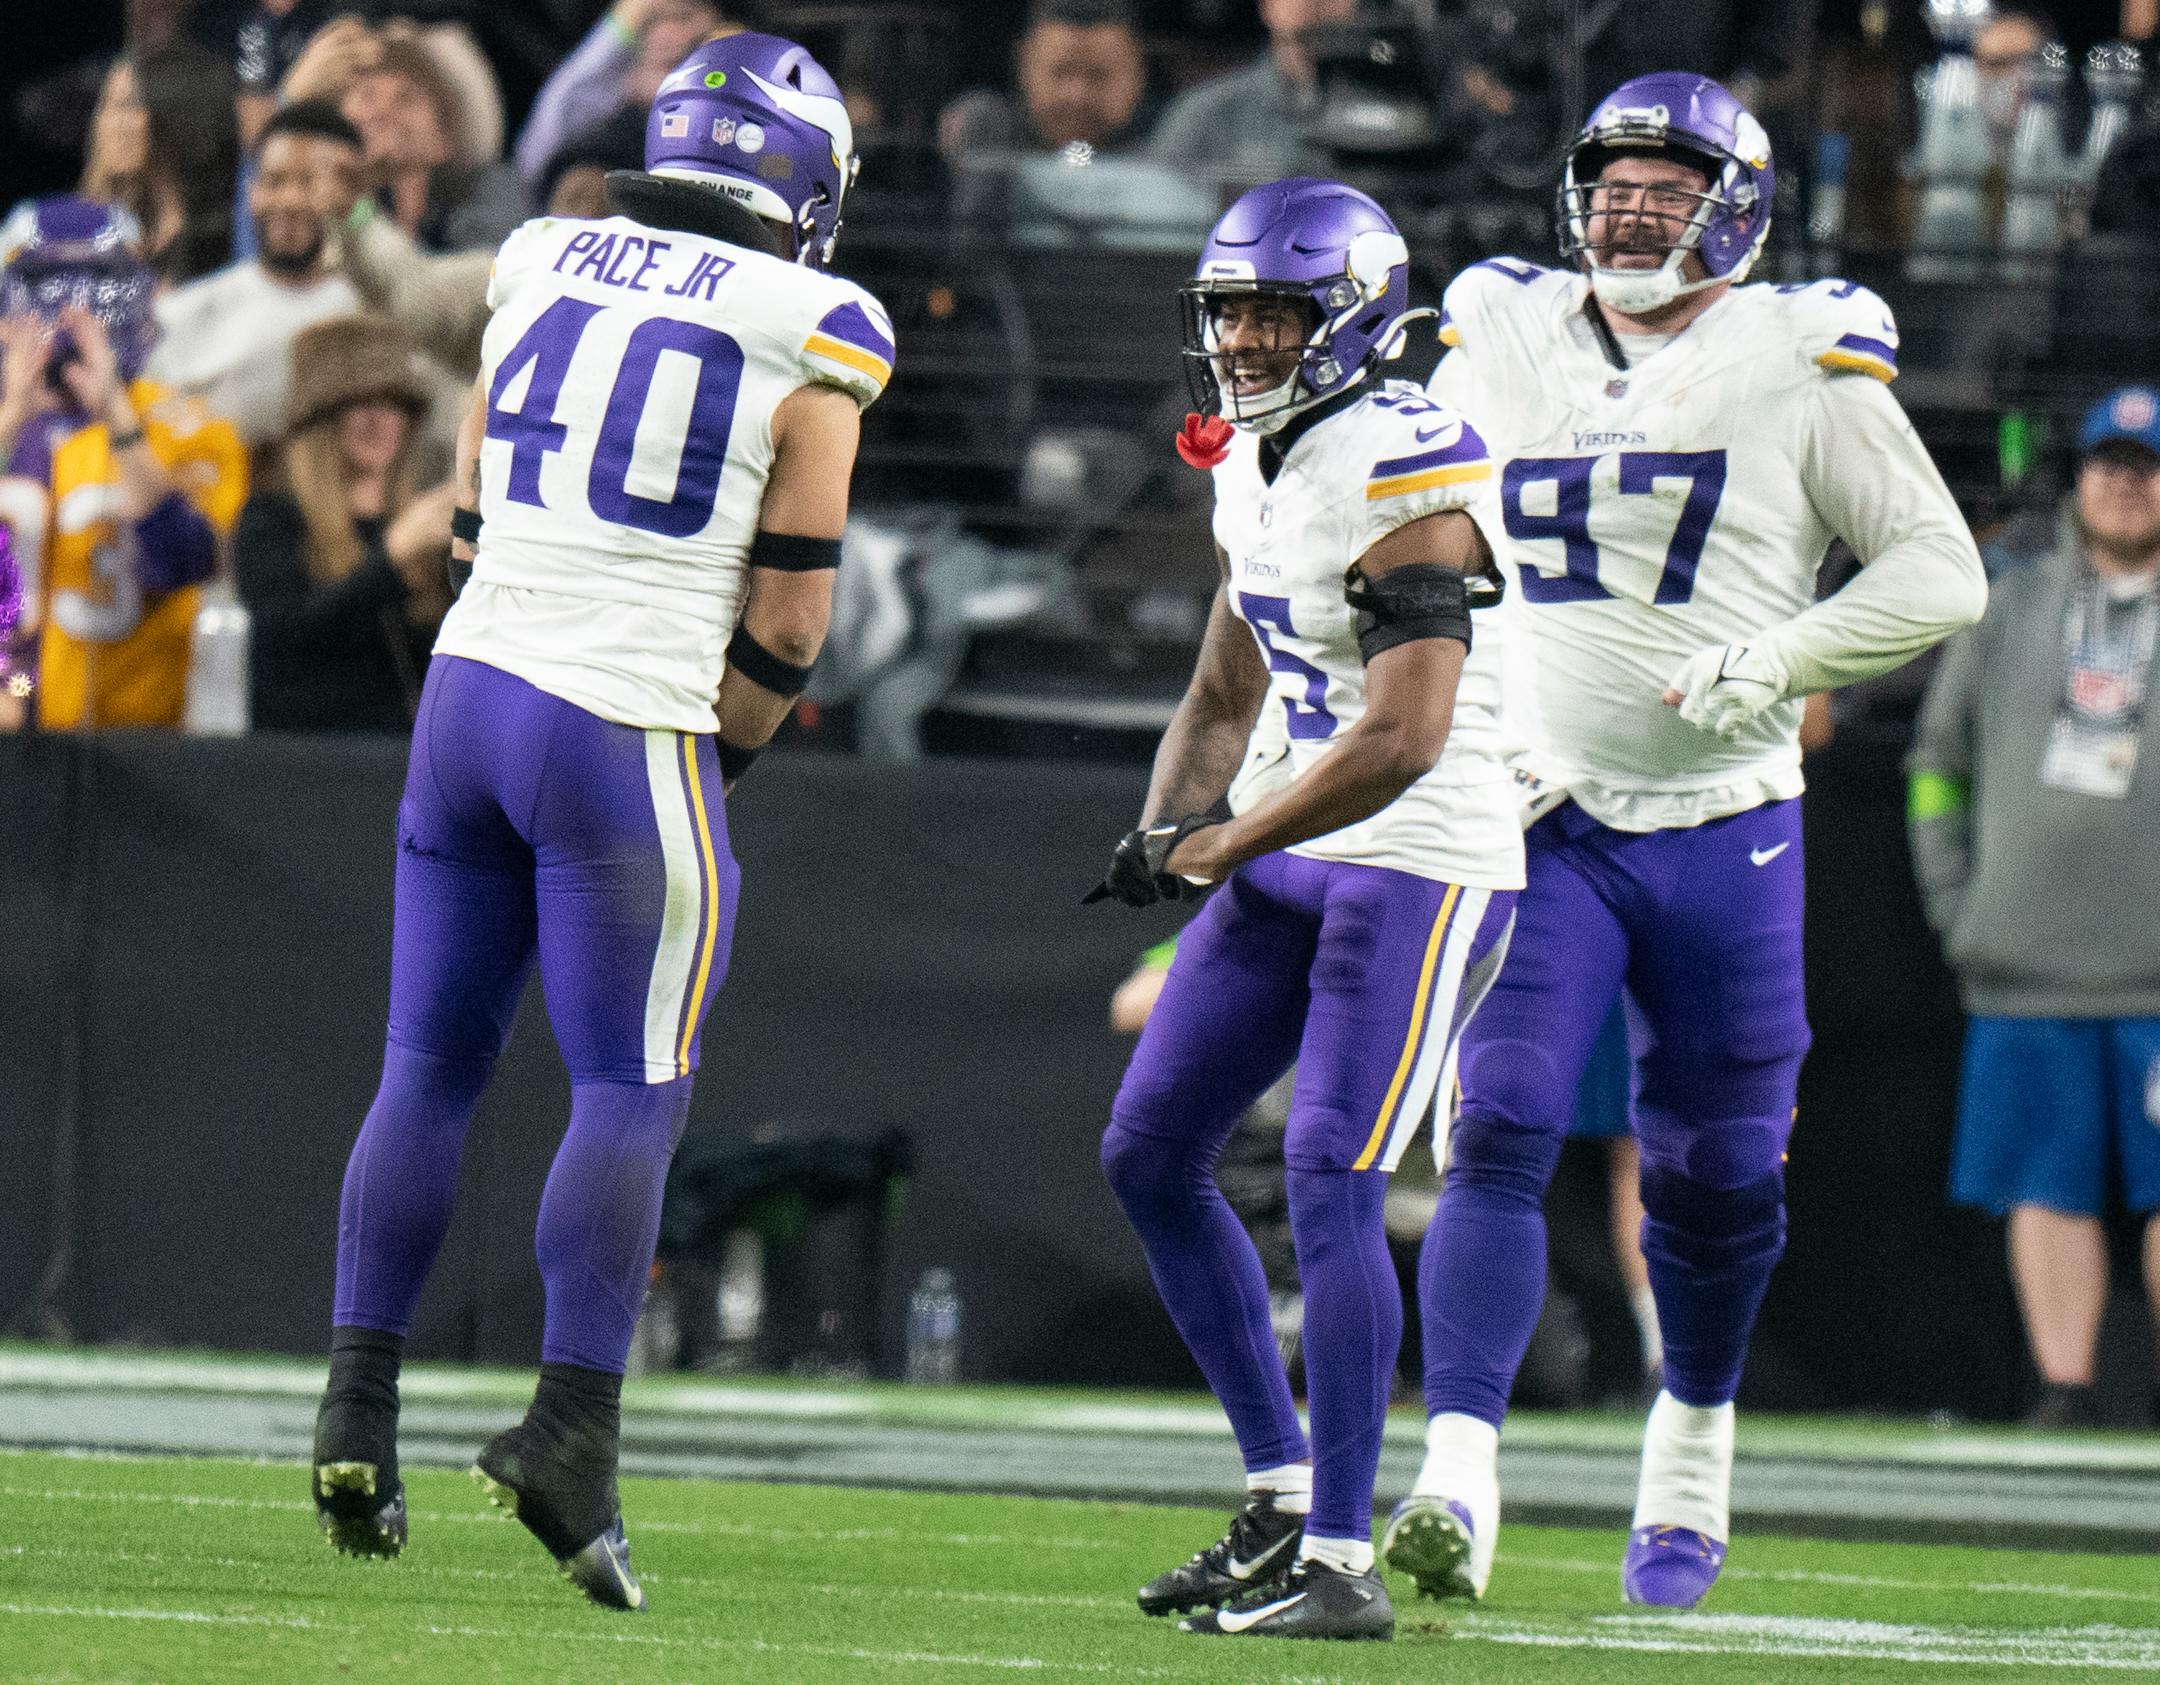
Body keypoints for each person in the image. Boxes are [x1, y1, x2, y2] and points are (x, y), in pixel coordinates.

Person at [307, 31, 891, 1613]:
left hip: (470, 694)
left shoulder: (547, 251)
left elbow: (477, 509)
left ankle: (359, 1405)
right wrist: (731, 752)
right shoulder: (822, 321)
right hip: (622, 718)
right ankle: (570, 1431)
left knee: (427, 1064)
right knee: (633, 1087)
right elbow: (788, 616)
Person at [1391, 74, 1986, 1612]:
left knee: (1716, 1175)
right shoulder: (1503, 326)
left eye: (1667, 184)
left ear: (1737, 202)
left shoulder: (1795, 353)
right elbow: (1400, 507)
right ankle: (1457, 1469)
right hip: (1545, 807)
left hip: (1727, 821)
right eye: (1614, 181)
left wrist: (1779, 660)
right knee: (1500, 1124)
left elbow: (1940, 574)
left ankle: (1692, 1445)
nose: (1632, 208)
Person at [1091, 176, 1522, 1642]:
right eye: (1232, 313)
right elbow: (1226, 686)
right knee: (1151, 1151)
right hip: (1295, 832)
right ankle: (1283, 1493)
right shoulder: (1254, 455)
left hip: (1421, 849)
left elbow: (1402, 737)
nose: (1250, 341)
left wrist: (1221, 843)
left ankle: (1341, 1560)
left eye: (1278, 312)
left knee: (1334, 1175)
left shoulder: (1411, 462)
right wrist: (1171, 819)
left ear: (1352, 315)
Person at [1909, 385, 2160, 1431]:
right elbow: (1935, 762)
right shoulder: (2010, 602)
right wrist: (1956, 901)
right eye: (2108, 461)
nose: (2125, 481)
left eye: (2146, 467)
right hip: (2021, 955)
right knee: (2043, 1184)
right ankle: (2062, 1385)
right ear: (2078, 477)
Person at [0, 198, 248, 731]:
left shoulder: (186, 426)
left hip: (142, 741)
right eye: (44, 292)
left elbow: (180, 561)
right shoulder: (10, 428)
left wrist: (117, 415)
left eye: (93, 291)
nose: (65, 317)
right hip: (13, 711)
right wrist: (11, 419)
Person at [232, 314, 455, 731]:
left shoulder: (424, 525)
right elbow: (285, 640)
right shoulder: (271, 517)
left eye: (394, 404)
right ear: (321, 421)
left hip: (399, 766)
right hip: (306, 765)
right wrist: (392, 556)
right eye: (360, 403)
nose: (380, 420)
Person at [147, 102, 365, 451]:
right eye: (275, 181)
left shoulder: (362, 308)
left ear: (343, 195)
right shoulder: (186, 311)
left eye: (308, 183)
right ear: (252, 194)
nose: (290, 200)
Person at [513, 0, 731, 183]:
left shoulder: (726, 102)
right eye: (654, 21)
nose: (666, 35)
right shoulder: (612, 118)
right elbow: (534, 158)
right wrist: (620, 27)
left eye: (683, 18)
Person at [78, 41, 241, 285]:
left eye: (130, 105)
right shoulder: (86, 231)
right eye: (107, 105)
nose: (116, 124)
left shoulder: (219, 235)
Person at [1147, 0, 1353, 185]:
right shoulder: (1205, 114)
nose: (1315, 4)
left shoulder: (1379, 106)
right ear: (1267, 6)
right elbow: (1153, 208)